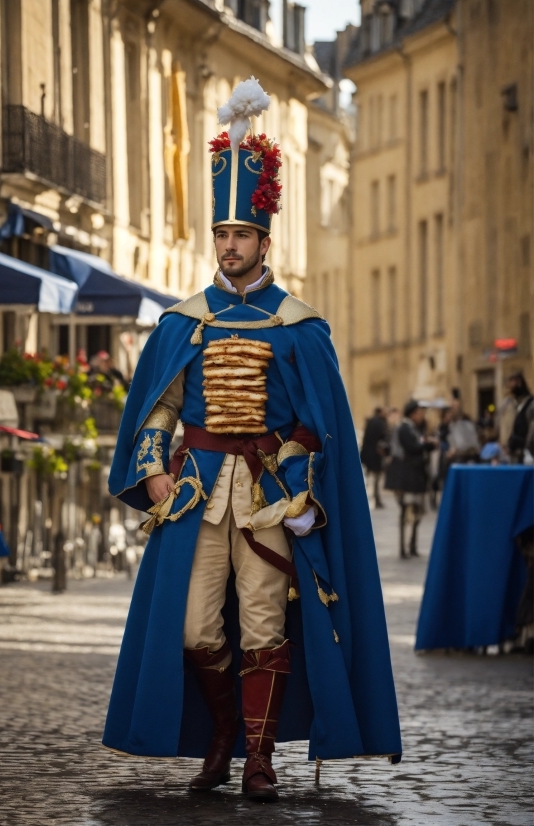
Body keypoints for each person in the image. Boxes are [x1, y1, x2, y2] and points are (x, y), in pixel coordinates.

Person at [102, 79, 401, 801]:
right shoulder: (183, 322)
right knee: (195, 627)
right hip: (196, 494)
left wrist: (299, 480)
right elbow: (156, 412)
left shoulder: (299, 324)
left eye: (241, 236)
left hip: (268, 497)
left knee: (266, 621)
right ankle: (221, 732)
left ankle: (259, 759)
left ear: (264, 241)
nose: (229, 248)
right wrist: (153, 476)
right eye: (221, 236)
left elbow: (313, 421)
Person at [387, 400, 437, 559]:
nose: (422, 416)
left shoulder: (413, 428)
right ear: (412, 413)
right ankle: (404, 547)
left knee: (417, 512)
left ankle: (412, 545)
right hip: (406, 477)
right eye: (419, 413)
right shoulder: (404, 428)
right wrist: (426, 444)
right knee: (406, 512)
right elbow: (412, 447)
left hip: (415, 476)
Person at [360, 407, 389, 508]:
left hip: (369, 454)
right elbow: (382, 438)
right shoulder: (379, 423)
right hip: (376, 455)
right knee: (375, 479)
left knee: (371, 479)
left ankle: (373, 499)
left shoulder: (372, 422)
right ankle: (375, 499)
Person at [507, 373, 534, 463]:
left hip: (528, 454)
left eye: (512, 382)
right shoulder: (513, 404)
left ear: (519, 383)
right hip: (517, 454)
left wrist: (526, 446)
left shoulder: (530, 404)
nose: (509, 386)